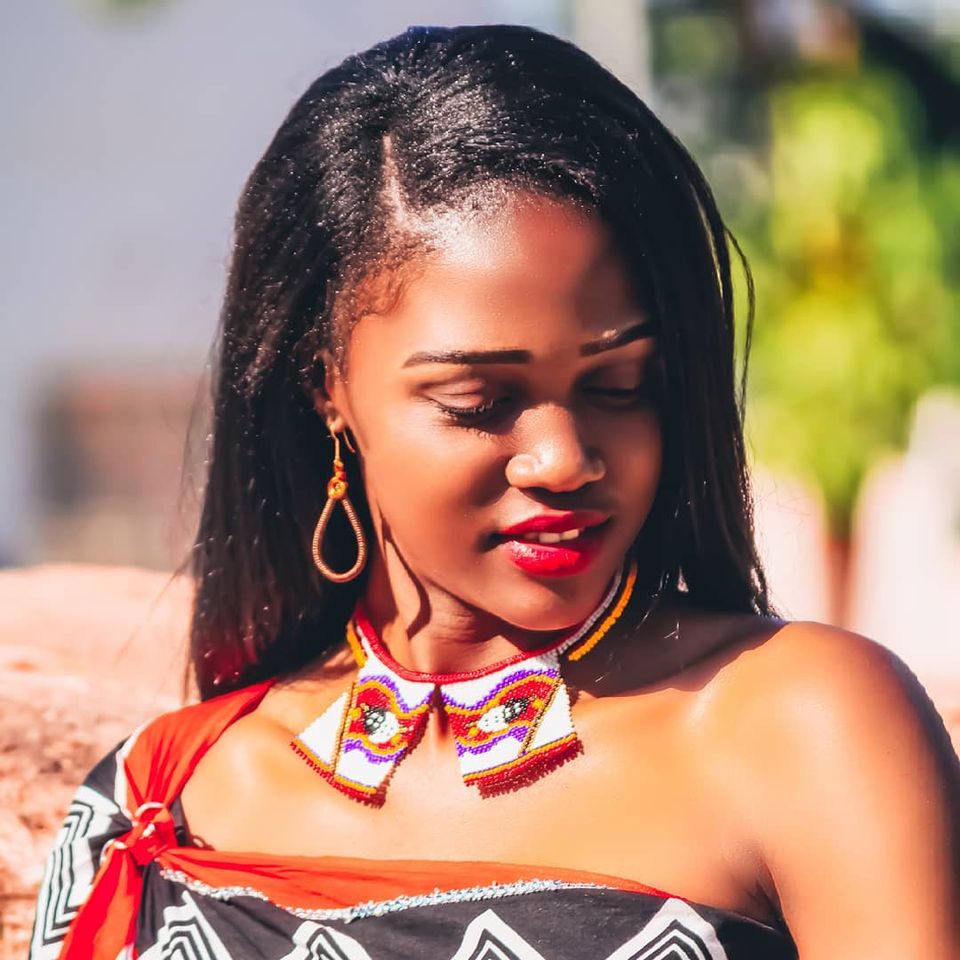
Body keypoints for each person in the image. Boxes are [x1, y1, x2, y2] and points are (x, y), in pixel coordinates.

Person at [30, 23, 959, 960]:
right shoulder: (163, 804)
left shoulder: (800, 728)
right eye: (478, 401)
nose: (564, 459)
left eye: (619, 385)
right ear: (327, 384)